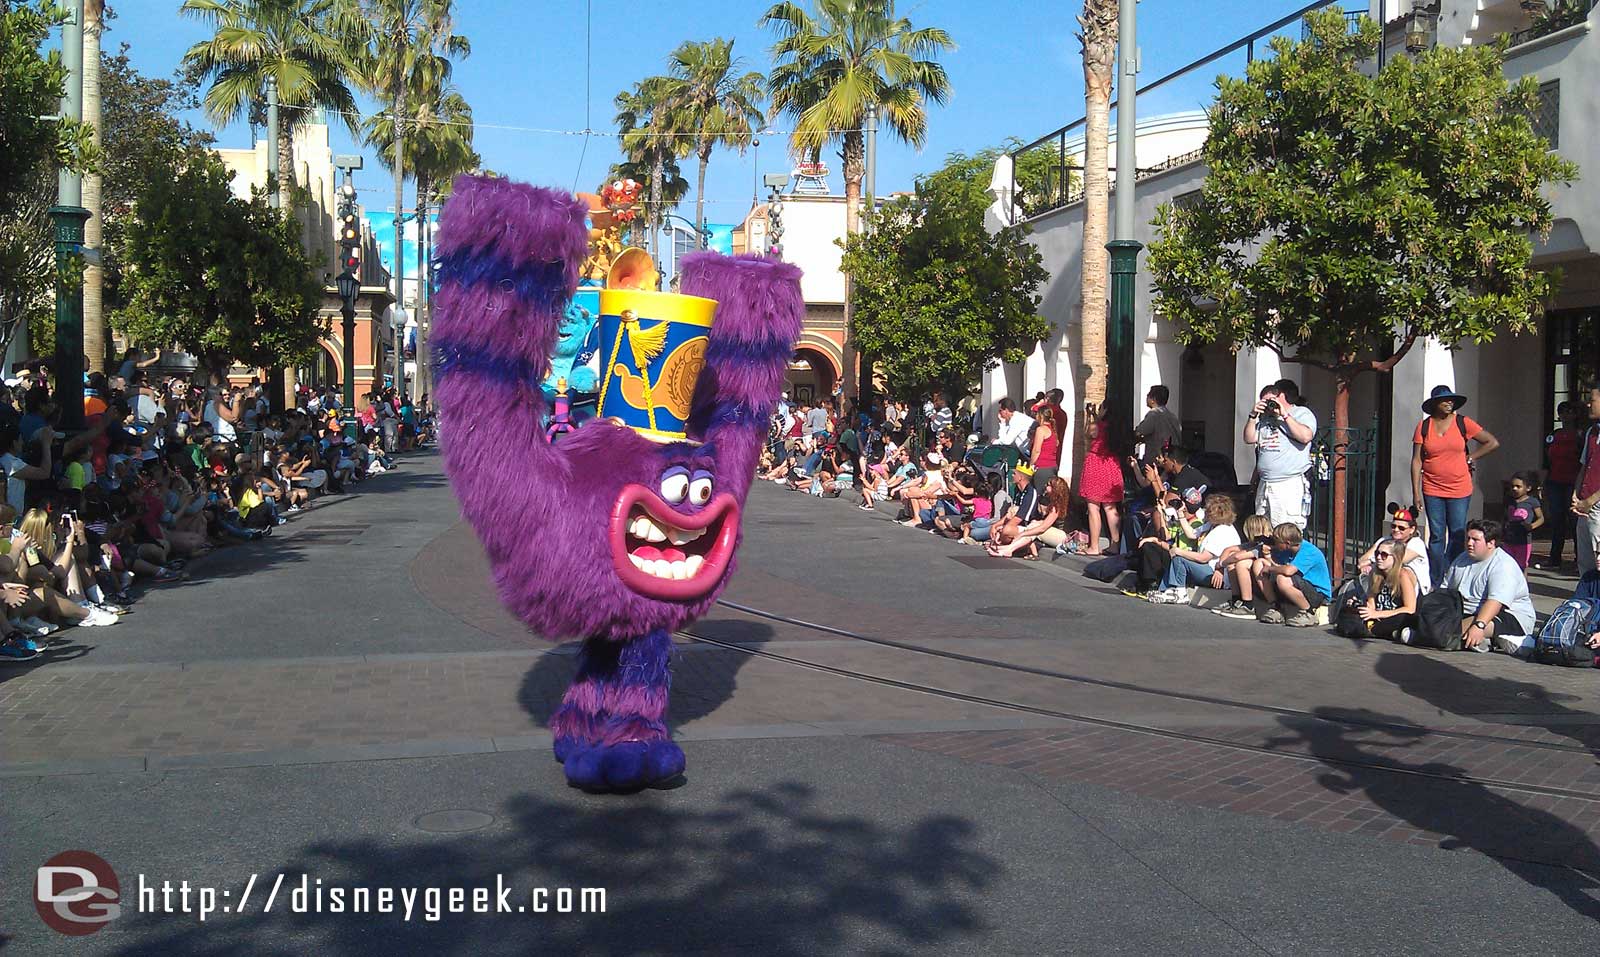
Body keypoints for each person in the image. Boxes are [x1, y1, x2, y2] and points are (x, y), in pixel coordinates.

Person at [1411, 384, 1499, 580]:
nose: (1449, 403)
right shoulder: (1424, 427)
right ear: (1435, 404)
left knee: (1458, 533)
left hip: (1459, 487)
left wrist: (1471, 457)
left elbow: (1492, 442)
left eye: (1452, 400)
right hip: (1432, 487)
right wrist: (1415, 493)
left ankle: (1452, 573)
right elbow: (1417, 460)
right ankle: (1435, 577)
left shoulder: (1463, 423)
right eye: (1445, 400)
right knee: (1436, 535)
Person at [1443, 520, 1536, 653]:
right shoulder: (1461, 559)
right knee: (1437, 624)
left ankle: (1484, 639)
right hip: (1469, 612)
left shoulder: (1503, 565)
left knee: (1450, 632)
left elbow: (1495, 602)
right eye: (1468, 538)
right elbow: (1446, 590)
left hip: (1509, 616)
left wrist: (1479, 626)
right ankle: (1486, 640)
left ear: (1491, 543)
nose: (1469, 543)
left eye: (1475, 540)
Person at [1243, 379, 1317, 530]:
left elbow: (1305, 436)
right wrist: (1253, 415)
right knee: (1263, 530)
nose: (1269, 404)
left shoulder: (1301, 413)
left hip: (1288, 484)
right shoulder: (1265, 418)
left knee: (1285, 531)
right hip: (1265, 484)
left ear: (1281, 396)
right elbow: (1249, 438)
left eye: (1271, 400)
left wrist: (1284, 415)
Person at [1148, 493, 1240, 604]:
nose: (1205, 511)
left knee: (1179, 558)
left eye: (1208, 510)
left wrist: (1179, 551)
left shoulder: (1222, 531)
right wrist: (1180, 513)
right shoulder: (1211, 525)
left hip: (1215, 575)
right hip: (1208, 569)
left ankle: (1180, 593)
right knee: (1179, 556)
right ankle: (1166, 590)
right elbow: (1191, 534)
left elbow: (1203, 558)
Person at [1251, 522, 1332, 627]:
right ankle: (1276, 607)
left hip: (1317, 593)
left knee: (1282, 578)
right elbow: (1278, 566)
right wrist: (1267, 556)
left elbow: (1288, 571)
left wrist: (1270, 568)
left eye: (1277, 541)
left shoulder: (1309, 551)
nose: (1274, 544)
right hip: (1297, 586)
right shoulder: (1286, 550)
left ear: (1287, 543)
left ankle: (1308, 613)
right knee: (1259, 563)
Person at [1537, 400, 1583, 569]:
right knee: (1557, 521)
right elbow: (1547, 461)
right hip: (1555, 481)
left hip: (1573, 482)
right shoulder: (1553, 435)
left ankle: (1579, 560)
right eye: (1562, 412)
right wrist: (1543, 483)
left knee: (1575, 521)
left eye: (1569, 411)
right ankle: (1554, 558)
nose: (1565, 415)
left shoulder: (1580, 435)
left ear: (1575, 414)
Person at [1078, 402, 1124, 556]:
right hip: (1112, 465)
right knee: (1110, 507)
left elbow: (1087, 433)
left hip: (1096, 465)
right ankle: (1115, 544)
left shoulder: (1098, 425)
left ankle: (1094, 545)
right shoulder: (1116, 428)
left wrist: (1091, 416)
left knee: (1093, 507)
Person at [1354, 506, 1431, 596]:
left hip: (1412, 590)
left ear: (1412, 529)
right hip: (1384, 586)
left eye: (1401, 528)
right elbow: (1362, 560)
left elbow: (1397, 560)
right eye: (1393, 526)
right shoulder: (1384, 540)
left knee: (1402, 572)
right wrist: (1367, 563)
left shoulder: (1417, 544)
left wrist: (1370, 563)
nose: (1396, 530)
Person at [1353, 541, 1420, 642]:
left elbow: (1410, 609)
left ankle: (1374, 631)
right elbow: (1371, 604)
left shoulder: (1403, 574)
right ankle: (1388, 633)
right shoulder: (1374, 573)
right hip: (1379, 616)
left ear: (1396, 557)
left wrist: (1377, 614)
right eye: (1377, 553)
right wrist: (1359, 605)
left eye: (1384, 555)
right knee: (1348, 613)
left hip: (1396, 616)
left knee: (1402, 618)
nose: (1379, 558)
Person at [1210, 514, 1275, 618]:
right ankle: (1236, 599)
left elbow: (1238, 557)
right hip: (1259, 574)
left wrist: (1220, 564)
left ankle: (1248, 605)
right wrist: (1221, 568)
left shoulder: (1266, 543)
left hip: (1269, 575)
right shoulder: (1255, 543)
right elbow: (1229, 550)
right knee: (1231, 564)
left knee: (1241, 563)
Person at [987, 477, 1068, 560]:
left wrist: (1023, 534)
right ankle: (1008, 548)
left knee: (1036, 524)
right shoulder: (1044, 499)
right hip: (1040, 531)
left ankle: (1009, 549)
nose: (1045, 486)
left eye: (1048, 485)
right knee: (1033, 524)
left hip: (1059, 537)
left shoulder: (1056, 506)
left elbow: (1043, 528)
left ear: (1055, 489)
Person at [1501, 471, 1544, 571]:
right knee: (1507, 565)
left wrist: (1532, 526)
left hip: (1523, 541)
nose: (1514, 489)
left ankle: (1522, 585)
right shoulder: (1509, 500)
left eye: (1518, 486)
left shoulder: (1532, 502)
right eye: (1512, 486)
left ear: (1528, 488)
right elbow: (1505, 517)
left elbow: (1541, 518)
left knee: (1521, 567)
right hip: (1509, 540)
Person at [1134, 385, 1180, 465]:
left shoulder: (1154, 414)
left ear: (1153, 400)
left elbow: (1139, 432)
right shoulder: (1172, 416)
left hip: (1156, 462)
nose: (1146, 398)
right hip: (1172, 461)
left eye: (1148, 395)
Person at [1027, 405, 1060, 489]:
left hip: (1042, 466)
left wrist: (1030, 464)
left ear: (1040, 416)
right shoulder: (1052, 429)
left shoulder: (1041, 429)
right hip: (1052, 466)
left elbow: (1036, 450)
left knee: (1040, 494)